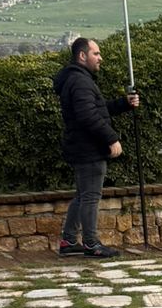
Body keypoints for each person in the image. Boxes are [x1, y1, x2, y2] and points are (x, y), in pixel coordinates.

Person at [54, 37, 138, 259]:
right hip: (88, 148)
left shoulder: (77, 79)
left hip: (82, 146)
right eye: (96, 54)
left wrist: (123, 104)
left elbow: (96, 109)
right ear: (83, 56)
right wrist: (111, 138)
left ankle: (69, 240)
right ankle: (91, 244)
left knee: (82, 196)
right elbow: (88, 116)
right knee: (90, 196)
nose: (100, 58)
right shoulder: (80, 82)